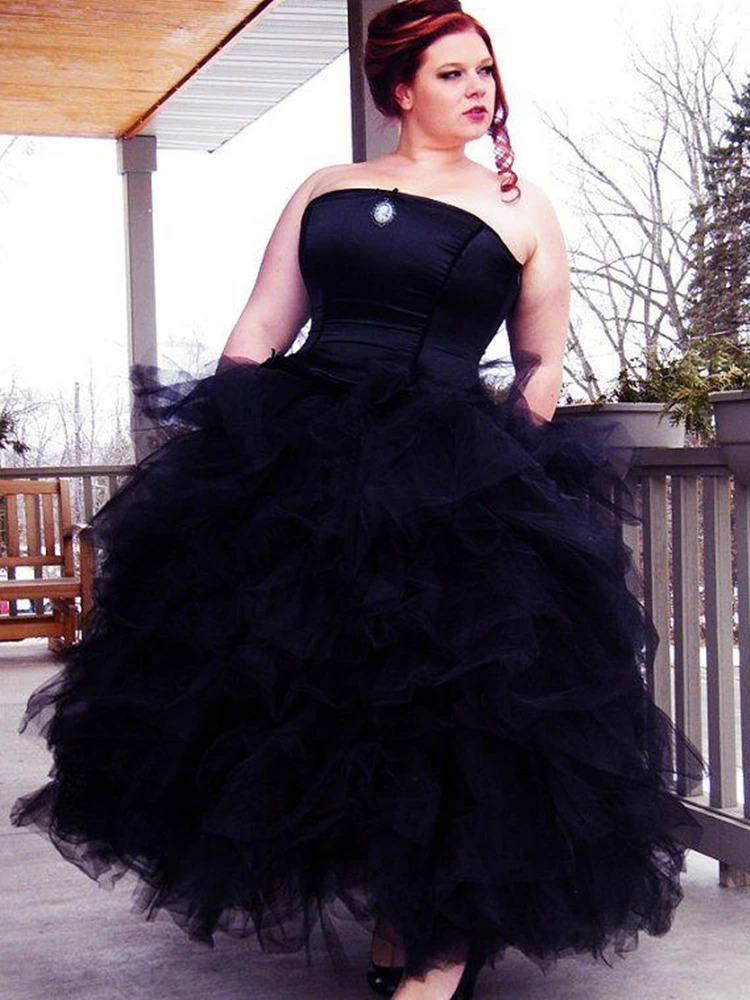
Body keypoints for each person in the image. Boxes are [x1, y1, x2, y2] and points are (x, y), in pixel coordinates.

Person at [12, 2, 705, 999]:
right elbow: (261, 329)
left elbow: (541, 360)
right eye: (454, 73)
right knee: (321, 708)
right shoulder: (326, 187)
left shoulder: (521, 206)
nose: (480, 89)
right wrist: (235, 450)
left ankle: (439, 945)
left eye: (485, 70)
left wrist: (507, 466)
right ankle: (397, 911)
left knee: (457, 714)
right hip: (310, 463)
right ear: (400, 90)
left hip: (450, 475)